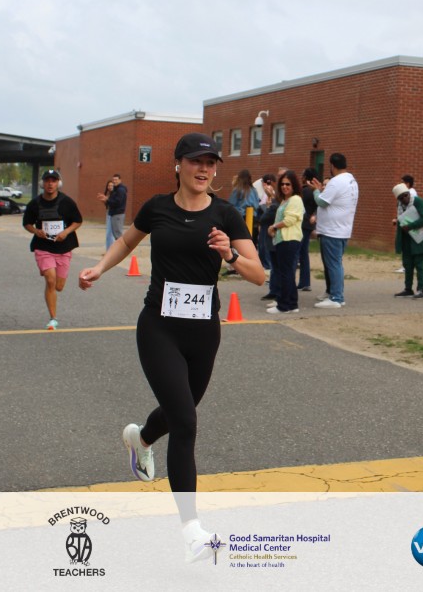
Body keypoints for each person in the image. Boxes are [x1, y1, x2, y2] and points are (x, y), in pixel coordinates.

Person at [78, 133, 264, 563]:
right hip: (159, 327)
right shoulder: (157, 207)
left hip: (204, 332)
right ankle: (192, 531)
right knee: (185, 423)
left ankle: (140, 438)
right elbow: (127, 242)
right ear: (178, 164)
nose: (205, 169)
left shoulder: (226, 214)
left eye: (211, 163)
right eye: (197, 161)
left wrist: (230, 256)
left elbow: (259, 275)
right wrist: (100, 268)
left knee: (181, 412)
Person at [22, 169, 83, 330]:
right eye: (47, 181)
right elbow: (26, 223)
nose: (50, 184)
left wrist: (66, 232)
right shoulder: (35, 203)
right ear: (42, 183)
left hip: (63, 247)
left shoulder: (67, 202)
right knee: (50, 280)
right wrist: (36, 231)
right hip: (43, 247)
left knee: (58, 286)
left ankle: (51, 276)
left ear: (58, 183)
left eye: (53, 181)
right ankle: (53, 319)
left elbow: (78, 221)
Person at [308, 153, 359, 308]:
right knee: (333, 263)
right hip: (342, 229)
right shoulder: (351, 180)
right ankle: (332, 292)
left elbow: (322, 202)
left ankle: (336, 297)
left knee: (333, 264)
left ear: (332, 166)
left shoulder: (336, 182)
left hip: (332, 230)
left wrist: (316, 191)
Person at [267, 171, 304, 313]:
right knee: (287, 273)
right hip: (282, 240)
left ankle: (283, 306)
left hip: (289, 240)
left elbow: (289, 220)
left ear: (294, 185)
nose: (284, 186)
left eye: (288, 184)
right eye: (282, 184)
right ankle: (292, 304)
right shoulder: (285, 200)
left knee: (285, 274)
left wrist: (274, 227)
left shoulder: (295, 199)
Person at [393, 183, 423, 298]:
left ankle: (421, 289)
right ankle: (408, 288)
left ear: (408, 193)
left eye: (405, 195)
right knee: (407, 265)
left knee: (419, 264)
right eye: (401, 198)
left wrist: (411, 226)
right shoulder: (400, 205)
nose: (404, 199)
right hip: (406, 239)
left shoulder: (417, 201)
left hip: (419, 238)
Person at [297, 167, 319, 292]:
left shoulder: (304, 191)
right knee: (304, 253)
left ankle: (304, 281)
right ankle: (305, 282)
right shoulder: (315, 191)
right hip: (308, 225)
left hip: (302, 224)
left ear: (305, 177)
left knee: (299, 252)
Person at [100, 174, 128, 244]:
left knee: (118, 235)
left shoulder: (120, 190)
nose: (114, 181)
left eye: (116, 180)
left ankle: (122, 248)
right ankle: (119, 248)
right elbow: (112, 201)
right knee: (116, 234)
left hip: (117, 214)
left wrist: (107, 199)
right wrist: (106, 200)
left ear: (120, 180)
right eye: (113, 180)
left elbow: (117, 202)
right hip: (114, 214)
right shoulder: (116, 189)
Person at [98, 179, 115, 251]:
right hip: (108, 213)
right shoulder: (108, 194)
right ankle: (108, 250)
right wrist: (104, 201)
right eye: (109, 185)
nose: (110, 187)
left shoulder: (115, 194)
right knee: (108, 232)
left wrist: (107, 199)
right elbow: (107, 205)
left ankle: (111, 250)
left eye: (111, 185)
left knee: (111, 233)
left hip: (113, 214)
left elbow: (114, 203)